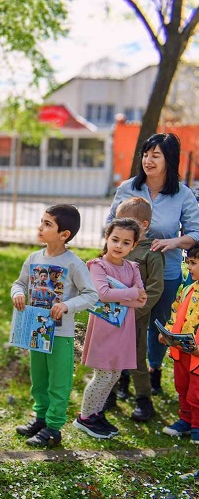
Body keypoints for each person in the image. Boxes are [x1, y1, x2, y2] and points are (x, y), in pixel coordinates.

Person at [107, 133, 199, 396]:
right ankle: (124, 375)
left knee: (158, 326)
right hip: (126, 272)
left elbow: (196, 233)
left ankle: (153, 371)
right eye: (146, 154)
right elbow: (109, 224)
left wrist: (173, 242)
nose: (148, 160)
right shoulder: (128, 188)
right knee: (128, 325)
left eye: (155, 155)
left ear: (169, 159)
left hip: (166, 272)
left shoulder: (182, 194)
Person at [11, 204, 98, 447]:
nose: (41, 227)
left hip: (60, 334)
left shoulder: (74, 264)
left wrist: (68, 305)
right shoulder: (33, 258)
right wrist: (17, 293)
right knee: (38, 379)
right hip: (35, 331)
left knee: (58, 381)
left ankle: (53, 427)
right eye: (42, 221)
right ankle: (40, 419)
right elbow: (19, 283)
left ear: (64, 235)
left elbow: (91, 294)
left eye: (48, 224)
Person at [73, 218, 147, 439]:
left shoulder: (132, 268)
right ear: (107, 238)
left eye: (126, 242)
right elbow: (103, 294)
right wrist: (131, 294)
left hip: (123, 328)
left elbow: (142, 300)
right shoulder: (98, 266)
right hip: (105, 328)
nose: (118, 246)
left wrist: (126, 297)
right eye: (115, 239)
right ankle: (84, 418)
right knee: (103, 375)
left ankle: (96, 413)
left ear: (133, 246)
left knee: (114, 374)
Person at [104, 197, 164, 422]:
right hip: (111, 315)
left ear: (144, 225)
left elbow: (156, 287)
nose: (119, 224)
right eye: (118, 219)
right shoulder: (117, 246)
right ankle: (108, 393)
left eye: (125, 220)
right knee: (109, 355)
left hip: (136, 317)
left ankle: (143, 400)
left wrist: (137, 311)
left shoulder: (152, 252)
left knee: (137, 357)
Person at [160, 242, 199, 444]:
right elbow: (176, 310)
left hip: (198, 357)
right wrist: (167, 332)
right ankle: (185, 420)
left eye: (193, 263)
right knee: (182, 385)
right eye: (188, 262)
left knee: (196, 392)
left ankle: (197, 426)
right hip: (181, 350)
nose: (189, 267)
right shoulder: (187, 289)